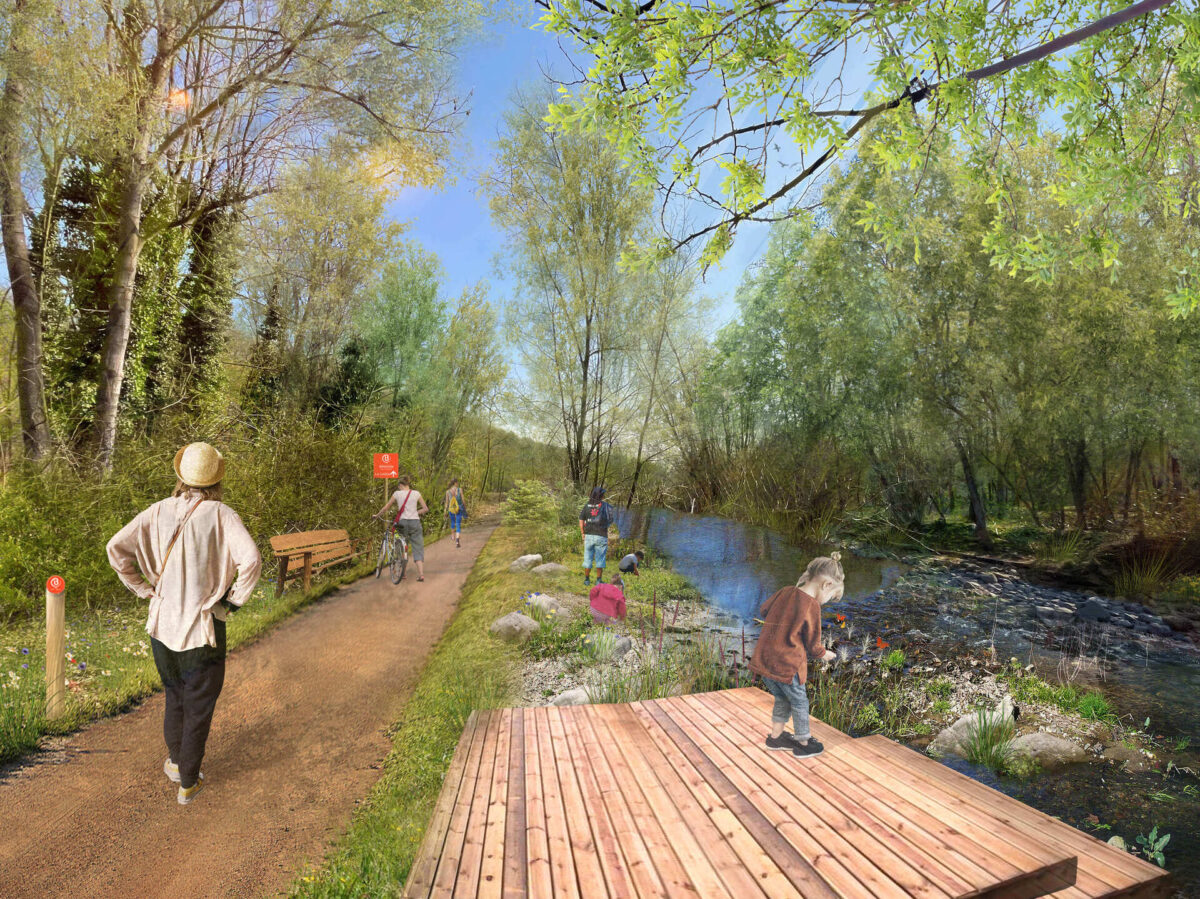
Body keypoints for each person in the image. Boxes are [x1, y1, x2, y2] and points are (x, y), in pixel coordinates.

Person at [106, 442, 261, 805]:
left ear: (180, 476)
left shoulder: (157, 511)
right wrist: (233, 600)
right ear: (218, 480)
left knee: (175, 695)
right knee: (200, 703)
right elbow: (251, 560)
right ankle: (188, 782)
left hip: (161, 626)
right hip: (200, 627)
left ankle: (177, 763)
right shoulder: (221, 514)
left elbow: (116, 548)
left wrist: (143, 589)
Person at [748, 552, 843, 759]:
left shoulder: (785, 591)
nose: (827, 601)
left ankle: (776, 738)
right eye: (831, 596)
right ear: (826, 585)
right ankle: (802, 741)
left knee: (782, 699)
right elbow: (812, 643)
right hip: (787, 664)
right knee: (800, 702)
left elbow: (764, 610)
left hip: (765, 661)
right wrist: (824, 654)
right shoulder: (811, 605)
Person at [375, 474, 429, 581]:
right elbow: (425, 509)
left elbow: (386, 507)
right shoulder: (416, 493)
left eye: (398, 486)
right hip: (415, 523)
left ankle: (402, 574)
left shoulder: (397, 494)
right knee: (417, 548)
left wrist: (377, 515)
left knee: (401, 547)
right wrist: (415, 512)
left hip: (402, 523)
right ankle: (421, 575)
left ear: (400, 485)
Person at [579, 485, 614, 586]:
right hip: (601, 536)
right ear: (601, 496)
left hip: (588, 536)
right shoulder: (606, 506)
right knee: (600, 558)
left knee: (588, 558)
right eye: (603, 494)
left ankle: (586, 580)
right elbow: (611, 520)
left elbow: (581, 519)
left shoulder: (587, 505)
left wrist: (582, 533)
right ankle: (598, 581)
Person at [444, 478, 467, 548]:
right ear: (455, 483)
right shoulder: (460, 490)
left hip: (451, 509)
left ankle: (452, 535)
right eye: (457, 482)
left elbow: (447, 503)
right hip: (459, 508)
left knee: (453, 522)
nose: (458, 484)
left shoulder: (448, 492)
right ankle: (457, 541)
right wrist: (465, 507)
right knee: (458, 524)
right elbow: (463, 500)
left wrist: (445, 511)